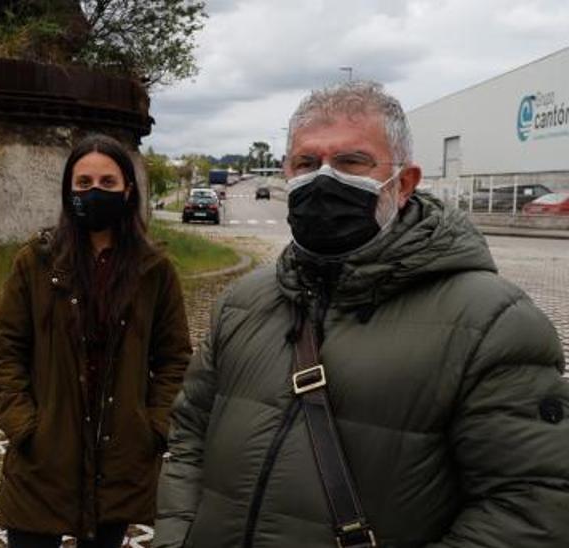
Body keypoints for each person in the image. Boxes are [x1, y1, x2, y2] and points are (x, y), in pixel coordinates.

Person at [155, 81, 569, 547]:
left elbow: (531, 508)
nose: (322, 179)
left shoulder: (494, 323)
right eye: (306, 164)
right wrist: (174, 537)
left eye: (351, 162)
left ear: (405, 183)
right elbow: (189, 435)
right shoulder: (242, 302)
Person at [0, 134, 193, 546]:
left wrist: (154, 426)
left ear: (128, 190)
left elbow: (174, 359)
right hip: (44, 456)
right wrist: (24, 426)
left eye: (107, 183)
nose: (94, 192)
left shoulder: (153, 270)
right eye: (83, 184)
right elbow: (7, 349)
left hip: (119, 458)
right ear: (68, 190)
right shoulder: (36, 262)